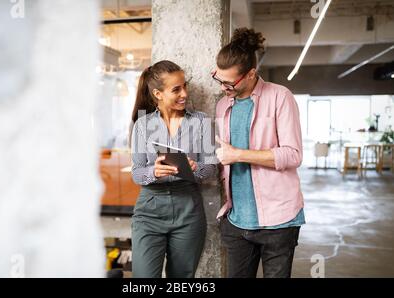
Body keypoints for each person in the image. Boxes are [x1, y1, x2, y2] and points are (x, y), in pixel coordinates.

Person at [213, 28, 305, 278]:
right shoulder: (224, 105)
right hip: (237, 219)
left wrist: (239, 155)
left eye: (229, 82)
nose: (223, 87)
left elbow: (293, 154)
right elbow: (225, 155)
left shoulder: (280, 97)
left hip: (279, 220)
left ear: (251, 74)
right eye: (218, 79)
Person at [130, 60, 215, 278]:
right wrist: (153, 172)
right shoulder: (143, 125)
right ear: (158, 93)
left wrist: (195, 168)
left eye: (184, 86)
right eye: (176, 89)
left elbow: (211, 168)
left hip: (188, 209)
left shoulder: (200, 121)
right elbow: (137, 172)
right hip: (149, 211)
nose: (184, 93)